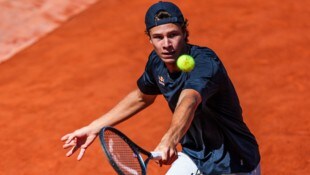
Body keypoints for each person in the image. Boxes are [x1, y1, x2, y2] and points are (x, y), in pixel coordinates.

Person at [61, 1, 261, 174]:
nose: (166, 44)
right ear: (149, 38)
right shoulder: (157, 62)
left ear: (185, 33)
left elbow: (189, 101)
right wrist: (93, 127)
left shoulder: (205, 64)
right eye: (158, 37)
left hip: (233, 161)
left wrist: (169, 140)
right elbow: (142, 97)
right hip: (194, 155)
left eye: (172, 35)